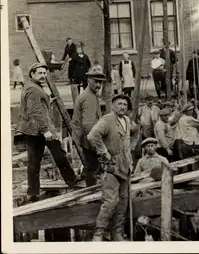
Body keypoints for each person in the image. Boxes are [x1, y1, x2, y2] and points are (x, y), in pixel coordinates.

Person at [17, 63, 81, 202]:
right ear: (32, 74)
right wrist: (46, 131)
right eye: (39, 73)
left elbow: (36, 106)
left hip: (32, 130)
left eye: (45, 73)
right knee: (59, 153)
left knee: (34, 162)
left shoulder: (31, 86)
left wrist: (48, 101)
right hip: (41, 129)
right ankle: (71, 179)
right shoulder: (34, 89)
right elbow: (35, 111)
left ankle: (33, 192)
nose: (43, 76)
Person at [87, 93, 140, 241]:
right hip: (111, 168)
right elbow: (92, 136)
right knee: (110, 202)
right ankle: (98, 233)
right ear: (113, 105)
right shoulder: (107, 120)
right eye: (119, 104)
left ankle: (117, 233)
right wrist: (104, 152)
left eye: (125, 104)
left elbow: (136, 132)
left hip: (126, 167)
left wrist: (131, 148)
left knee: (122, 203)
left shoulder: (128, 121)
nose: (122, 107)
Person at [71, 66, 106, 187]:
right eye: (96, 81)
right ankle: (91, 190)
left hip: (85, 135)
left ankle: (84, 178)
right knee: (92, 165)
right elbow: (88, 124)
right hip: (88, 136)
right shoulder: (88, 98)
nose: (98, 85)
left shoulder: (91, 94)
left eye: (100, 82)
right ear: (88, 80)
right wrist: (96, 143)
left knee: (91, 164)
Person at [171, 104, 199, 171]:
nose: (191, 112)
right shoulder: (188, 118)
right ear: (186, 111)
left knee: (188, 161)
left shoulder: (180, 119)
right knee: (195, 160)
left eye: (192, 110)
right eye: (190, 110)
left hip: (185, 142)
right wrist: (198, 115)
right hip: (191, 142)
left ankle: (189, 173)